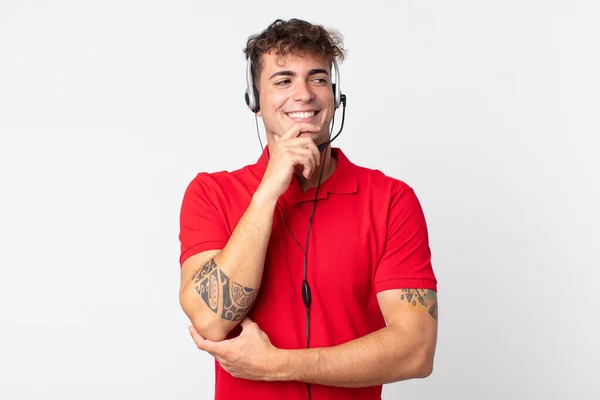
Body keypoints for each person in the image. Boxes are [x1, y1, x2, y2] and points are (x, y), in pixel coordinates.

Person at [178, 18, 438, 400]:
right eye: (283, 80)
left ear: (334, 94)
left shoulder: (390, 200)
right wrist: (267, 191)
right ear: (254, 101)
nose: (304, 94)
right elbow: (210, 320)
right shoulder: (211, 193)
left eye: (317, 79)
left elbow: (417, 350)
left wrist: (275, 365)